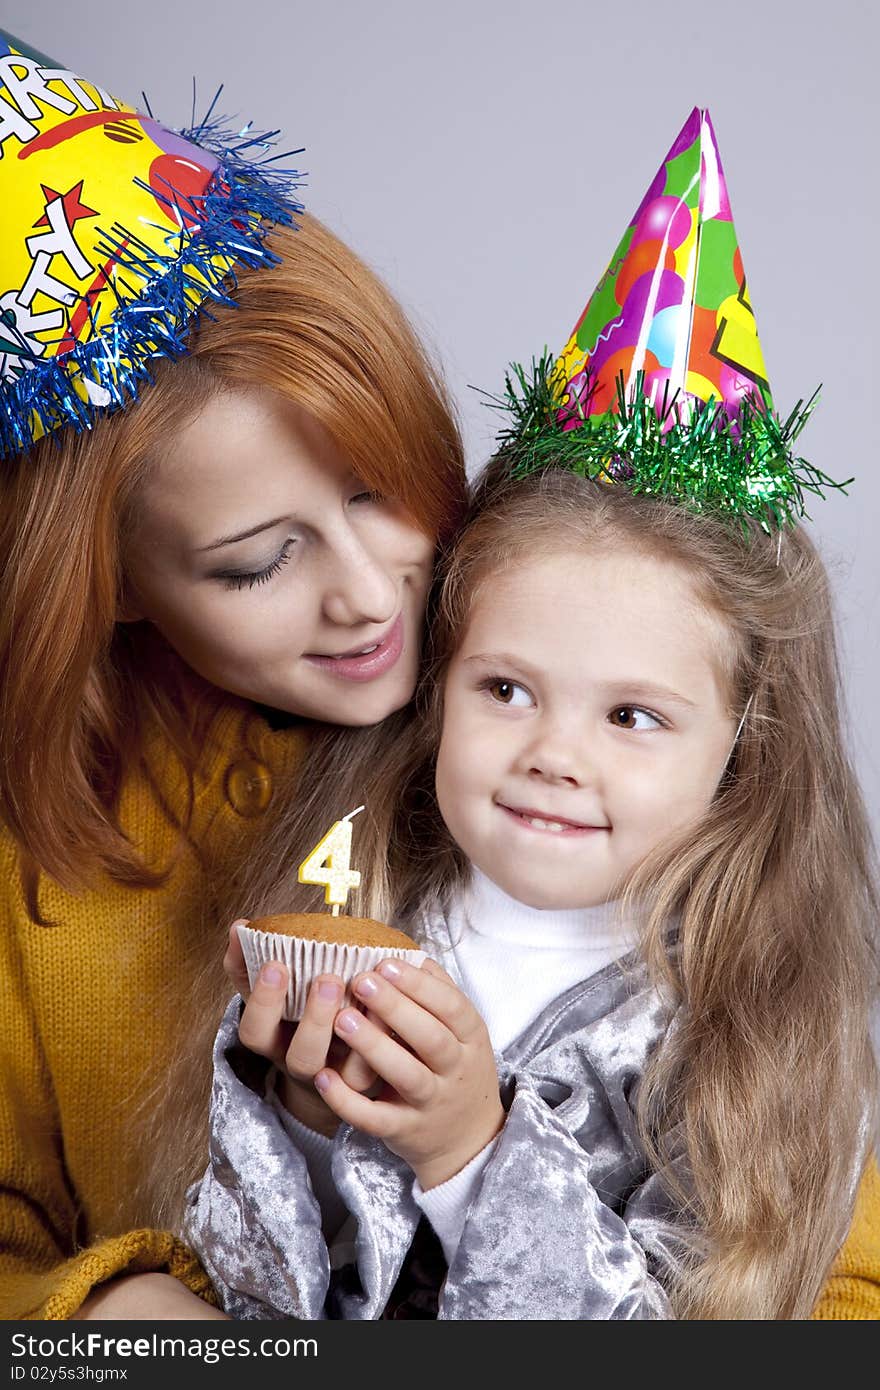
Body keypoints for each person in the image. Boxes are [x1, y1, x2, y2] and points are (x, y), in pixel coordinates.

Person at [182, 109, 880, 1319]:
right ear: (439, 679)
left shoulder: (728, 1024)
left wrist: (469, 1149)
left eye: (632, 717)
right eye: (505, 690)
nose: (553, 755)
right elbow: (242, 1300)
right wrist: (291, 1116)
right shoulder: (366, 902)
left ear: (742, 746)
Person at [0, 30, 465, 1320]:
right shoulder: (39, 864)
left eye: (383, 491)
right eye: (258, 564)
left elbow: (842, 1257)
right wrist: (97, 1314)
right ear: (112, 594)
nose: (370, 595)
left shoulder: (579, 727)